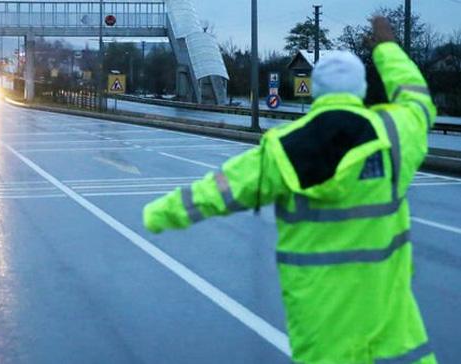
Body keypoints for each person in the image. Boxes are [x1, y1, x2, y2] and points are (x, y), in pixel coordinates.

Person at [142, 17, 437, 364]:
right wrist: (387, 49)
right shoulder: (396, 134)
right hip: (397, 341)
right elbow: (415, 98)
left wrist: (158, 214)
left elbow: (220, 189)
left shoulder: (282, 149)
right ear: (359, 90)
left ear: (315, 90)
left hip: (324, 336)